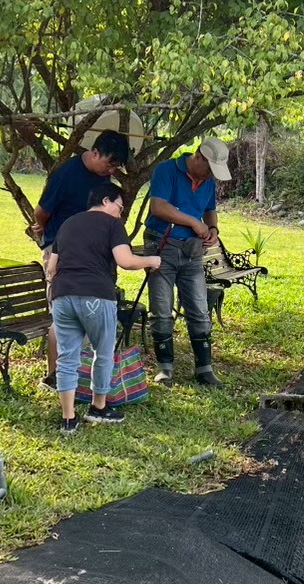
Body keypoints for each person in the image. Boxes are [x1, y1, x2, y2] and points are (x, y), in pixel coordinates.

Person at [46, 184, 161, 436]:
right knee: (103, 353)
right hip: (97, 295)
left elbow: (51, 268)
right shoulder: (112, 225)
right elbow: (125, 261)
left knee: (67, 357)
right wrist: (151, 260)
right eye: (119, 207)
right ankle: (98, 407)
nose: (120, 213)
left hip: (62, 295)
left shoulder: (67, 224)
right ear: (106, 201)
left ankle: (68, 418)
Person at [31, 130, 129, 387]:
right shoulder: (66, 173)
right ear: (95, 153)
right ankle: (55, 376)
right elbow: (41, 211)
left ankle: (81, 375)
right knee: (63, 314)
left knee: (90, 309)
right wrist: (48, 234)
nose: (111, 171)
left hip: (95, 254)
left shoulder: (103, 177)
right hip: (63, 251)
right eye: (109, 164)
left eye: (115, 167)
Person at [143, 137, 231, 387]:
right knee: (162, 308)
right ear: (199, 157)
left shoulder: (207, 180)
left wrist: (213, 229)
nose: (211, 176)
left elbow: (210, 210)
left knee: (199, 310)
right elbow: (158, 207)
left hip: (193, 249)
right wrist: (193, 222)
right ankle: (165, 367)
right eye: (209, 169)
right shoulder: (166, 170)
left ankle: (204, 368)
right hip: (162, 244)